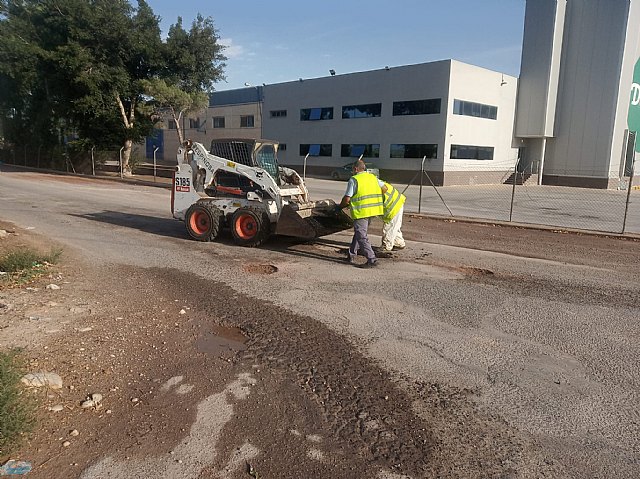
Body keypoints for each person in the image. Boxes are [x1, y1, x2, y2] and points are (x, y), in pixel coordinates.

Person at [335, 160, 384, 268]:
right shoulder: (372, 177)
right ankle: (351, 255)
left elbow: (347, 198)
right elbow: (384, 188)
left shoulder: (354, 179)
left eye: (353, 169)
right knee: (359, 233)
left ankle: (372, 259)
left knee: (361, 236)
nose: (352, 171)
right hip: (374, 210)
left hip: (362, 212)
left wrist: (339, 207)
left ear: (356, 169)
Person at [380, 181, 406, 252]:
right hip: (397, 202)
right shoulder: (374, 181)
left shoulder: (371, 184)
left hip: (393, 205)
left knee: (390, 226)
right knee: (395, 225)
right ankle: (399, 242)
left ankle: (386, 246)